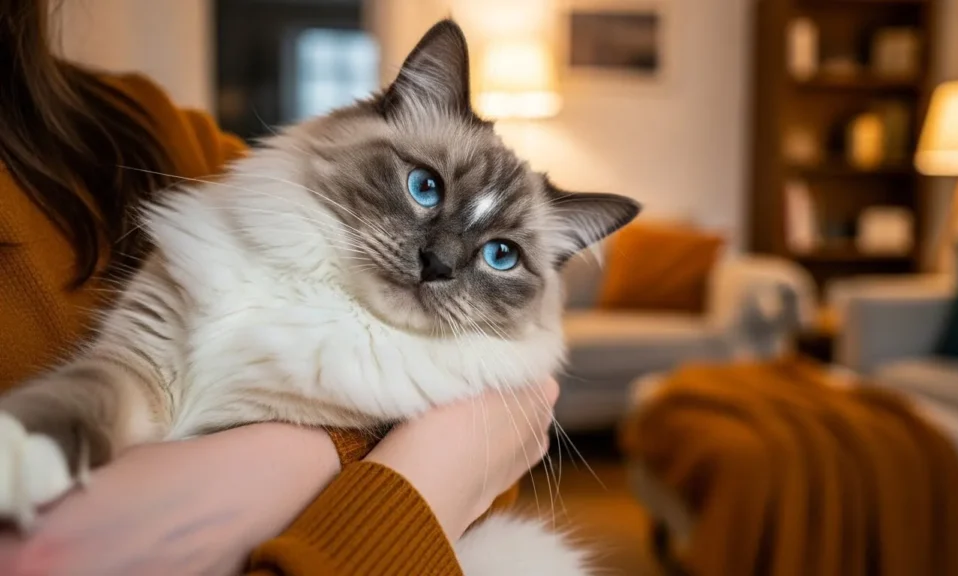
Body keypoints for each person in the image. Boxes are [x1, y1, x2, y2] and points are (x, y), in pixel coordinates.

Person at [0, 2, 558, 575]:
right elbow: (129, 382)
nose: (440, 258)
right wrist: (398, 463)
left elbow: (502, 456)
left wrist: (285, 465)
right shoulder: (232, 200)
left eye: (500, 253)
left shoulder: (135, 124)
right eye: (425, 186)